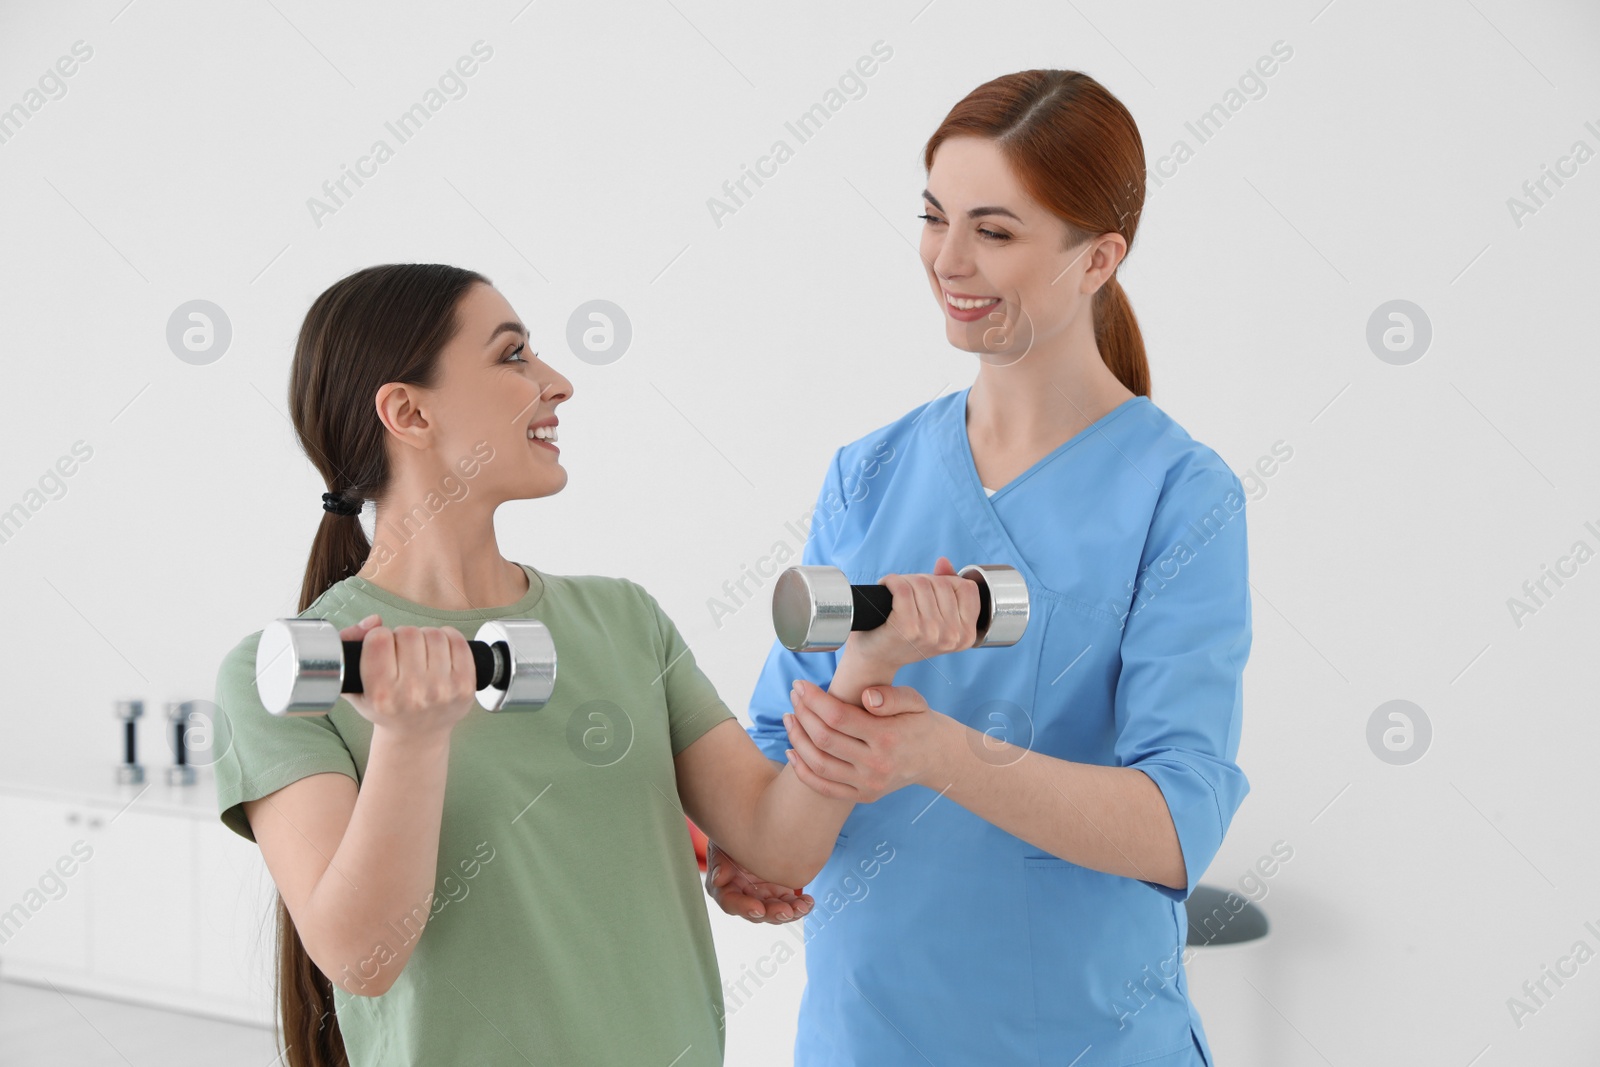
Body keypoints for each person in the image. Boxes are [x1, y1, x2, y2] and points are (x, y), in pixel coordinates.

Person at [209, 264, 978, 1066]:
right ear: (408, 411)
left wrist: (868, 661)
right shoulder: (296, 676)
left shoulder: (623, 621)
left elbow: (780, 845)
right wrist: (410, 737)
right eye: (513, 357)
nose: (557, 382)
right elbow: (362, 959)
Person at [702, 69, 1253, 1066]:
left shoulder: (1178, 492)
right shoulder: (867, 472)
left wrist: (938, 753)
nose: (947, 259)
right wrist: (750, 852)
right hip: (862, 1038)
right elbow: (778, 745)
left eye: (994, 232)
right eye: (932, 216)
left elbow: (1178, 822)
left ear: (1098, 258)